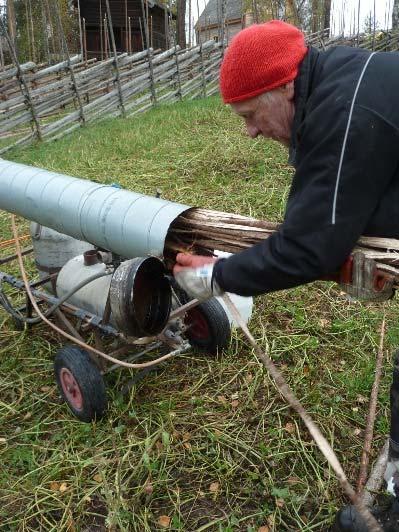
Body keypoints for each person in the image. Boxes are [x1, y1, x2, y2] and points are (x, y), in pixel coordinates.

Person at [173, 20, 399, 531]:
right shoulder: (334, 82)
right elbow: (319, 202)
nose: (250, 131)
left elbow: (307, 247)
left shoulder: (344, 112)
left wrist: (217, 276)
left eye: (252, 115)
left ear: (284, 86)